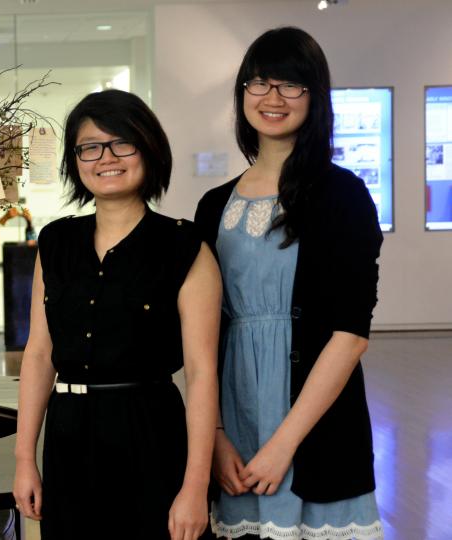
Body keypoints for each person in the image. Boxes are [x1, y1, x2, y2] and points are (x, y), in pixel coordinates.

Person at [194, 27, 384, 539]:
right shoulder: (213, 206)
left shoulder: (343, 195)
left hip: (312, 423)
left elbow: (350, 334)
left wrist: (284, 445)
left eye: (290, 85)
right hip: (234, 413)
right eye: (259, 82)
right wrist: (213, 437)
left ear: (315, 98)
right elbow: (201, 335)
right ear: (241, 95)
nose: (272, 98)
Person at [13, 89, 221, 540]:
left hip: (150, 435)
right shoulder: (56, 242)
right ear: (76, 159)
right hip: (68, 438)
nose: (105, 157)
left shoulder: (184, 247)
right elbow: (39, 354)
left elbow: (203, 373)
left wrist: (195, 485)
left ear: (148, 149)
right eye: (90, 146)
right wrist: (25, 459)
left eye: (121, 143)